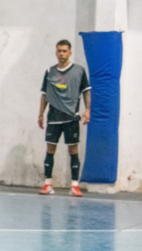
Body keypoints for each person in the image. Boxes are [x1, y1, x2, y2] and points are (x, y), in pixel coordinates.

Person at [38, 39, 91, 197]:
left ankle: (74, 186)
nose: (61, 54)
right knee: (50, 150)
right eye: (59, 51)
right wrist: (41, 113)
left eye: (64, 51)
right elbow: (44, 95)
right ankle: (48, 184)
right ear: (56, 52)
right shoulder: (49, 72)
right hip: (53, 118)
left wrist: (87, 110)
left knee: (73, 150)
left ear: (70, 52)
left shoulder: (79, 71)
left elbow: (86, 91)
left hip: (71, 118)